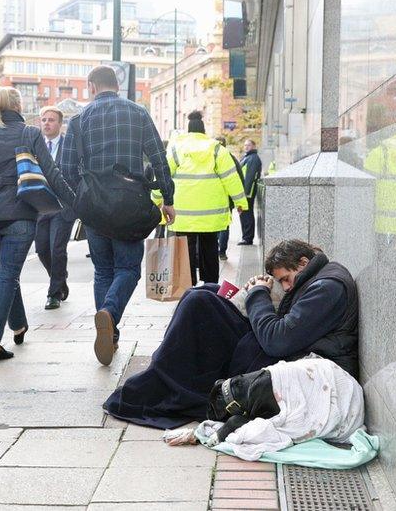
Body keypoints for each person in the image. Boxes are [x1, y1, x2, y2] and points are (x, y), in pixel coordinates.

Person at [103, 240, 359, 429]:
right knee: (201, 293)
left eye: (285, 279)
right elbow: (289, 326)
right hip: (280, 347)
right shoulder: (318, 279)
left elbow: (278, 340)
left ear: (303, 263)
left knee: (200, 306)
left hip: (294, 361)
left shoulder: (327, 288)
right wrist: (252, 293)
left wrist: (258, 295)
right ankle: (162, 375)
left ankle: (170, 385)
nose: (285, 286)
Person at [59, 65, 175, 366]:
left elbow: (66, 168)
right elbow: (159, 159)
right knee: (128, 269)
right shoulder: (137, 113)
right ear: (117, 86)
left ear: (91, 87)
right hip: (130, 203)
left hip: (95, 206)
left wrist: (82, 196)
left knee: (102, 270)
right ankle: (109, 315)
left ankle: (109, 333)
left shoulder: (79, 119)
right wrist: (167, 199)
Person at [0, 87, 75, 360]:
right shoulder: (30, 133)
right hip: (21, 214)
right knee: (7, 275)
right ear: (19, 105)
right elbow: (51, 172)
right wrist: (73, 201)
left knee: (7, 273)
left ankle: (19, 324)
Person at [166, 112, 247, 285]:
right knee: (209, 248)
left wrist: (157, 199)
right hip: (211, 214)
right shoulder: (217, 149)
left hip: (183, 213)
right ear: (204, 130)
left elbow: (163, 177)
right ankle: (210, 285)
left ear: (188, 130)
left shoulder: (175, 148)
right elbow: (231, 178)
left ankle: (188, 286)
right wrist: (240, 202)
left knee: (185, 249)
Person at [35, 106, 76, 310]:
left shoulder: (70, 145)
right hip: (40, 207)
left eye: (51, 120)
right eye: (43, 120)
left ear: (60, 124)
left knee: (57, 249)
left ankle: (54, 295)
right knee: (42, 249)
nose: (47, 123)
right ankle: (60, 280)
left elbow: (78, 172)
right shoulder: (34, 145)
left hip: (63, 207)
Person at [217, 148, 245, 261]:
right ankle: (222, 252)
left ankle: (216, 250)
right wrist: (239, 201)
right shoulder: (230, 158)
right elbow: (239, 179)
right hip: (226, 198)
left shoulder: (210, 157)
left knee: (213, 227)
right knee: (225, 225)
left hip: (213, 198)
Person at [238, 139, 263, 245]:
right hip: (245, 191)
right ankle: (246, 237)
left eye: (248, 145)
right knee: (244, 214)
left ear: (253, 146)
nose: (246, 147)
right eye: (245, 145)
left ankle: (247, 238)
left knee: (247, 215)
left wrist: (244, 193)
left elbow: (249, 177)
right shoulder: (248, 157)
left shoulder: (252, 158)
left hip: (247, 192)